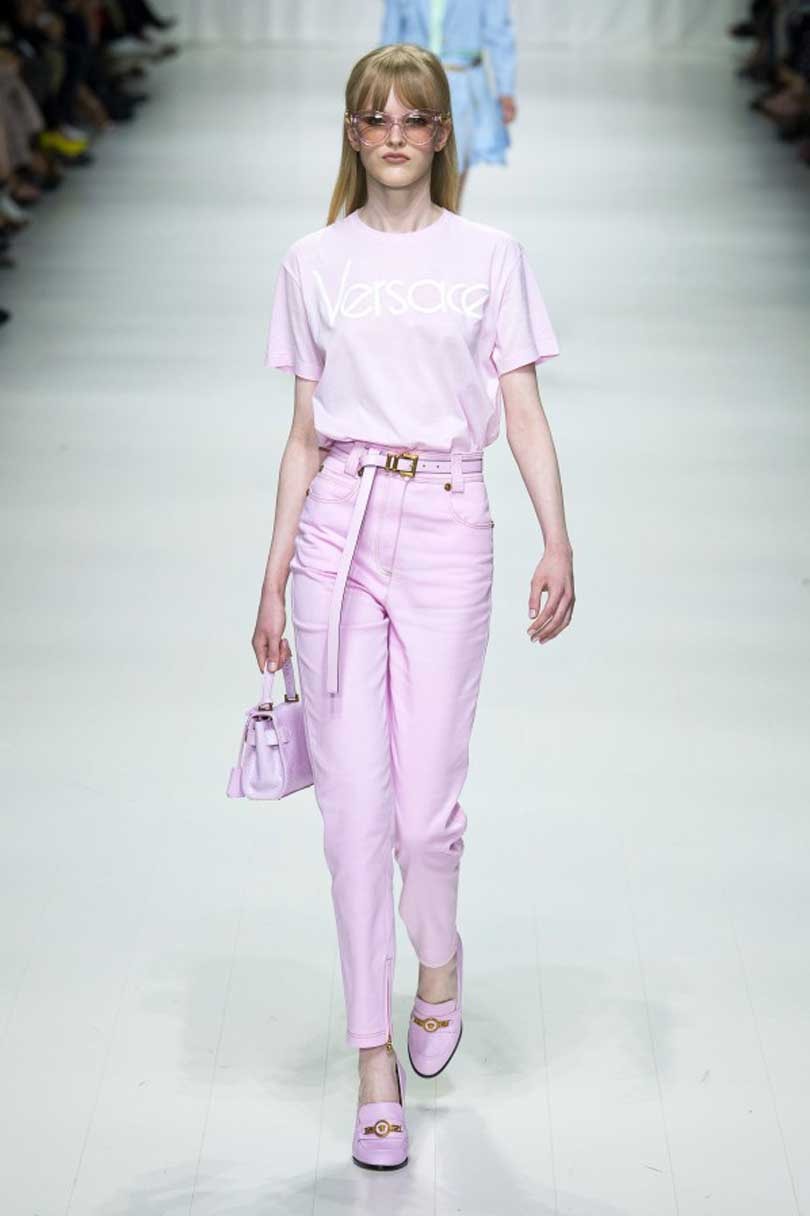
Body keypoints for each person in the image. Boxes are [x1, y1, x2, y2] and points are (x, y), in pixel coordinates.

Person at [253, 42, 574, 1171]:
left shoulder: (491, 256)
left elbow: (521, 409)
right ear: (353, 134)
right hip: (337, 529)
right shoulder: (311, 261)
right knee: (353, 820)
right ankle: (372, 1061)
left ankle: (438, 957)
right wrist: (271, 575)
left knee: (427, 815)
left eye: (415, 118)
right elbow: (302, 435)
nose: (395, 135)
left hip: (446, 522)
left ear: (443, 134)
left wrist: (556, 535)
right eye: (375, 118)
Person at [380, 0, 517, 207]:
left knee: (454, 160)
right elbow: (390, 32)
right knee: (414, 157)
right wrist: (381, 83)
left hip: (462, 82)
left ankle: (447, 216)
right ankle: (425, 217)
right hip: (413, 82)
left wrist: (505, 89)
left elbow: (499, 32)